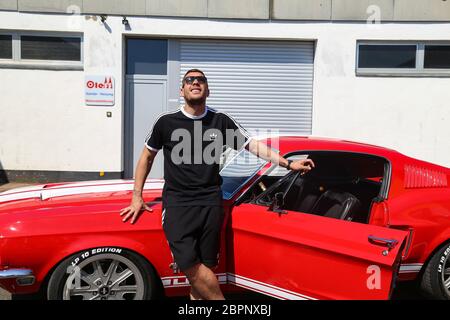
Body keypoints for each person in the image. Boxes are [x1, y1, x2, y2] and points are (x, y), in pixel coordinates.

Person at [120, 69, 315, 300]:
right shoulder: (166, 122)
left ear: (208, 90)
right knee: (190, 266)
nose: (195, 82)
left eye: (200, 80)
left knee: (206, 266)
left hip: (211, 202)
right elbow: (146, 157)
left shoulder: (220, 121)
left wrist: (287, 163)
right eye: (189, 80)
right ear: (181, 90)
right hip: (178, 203)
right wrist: (136, 196)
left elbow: (252, 146)